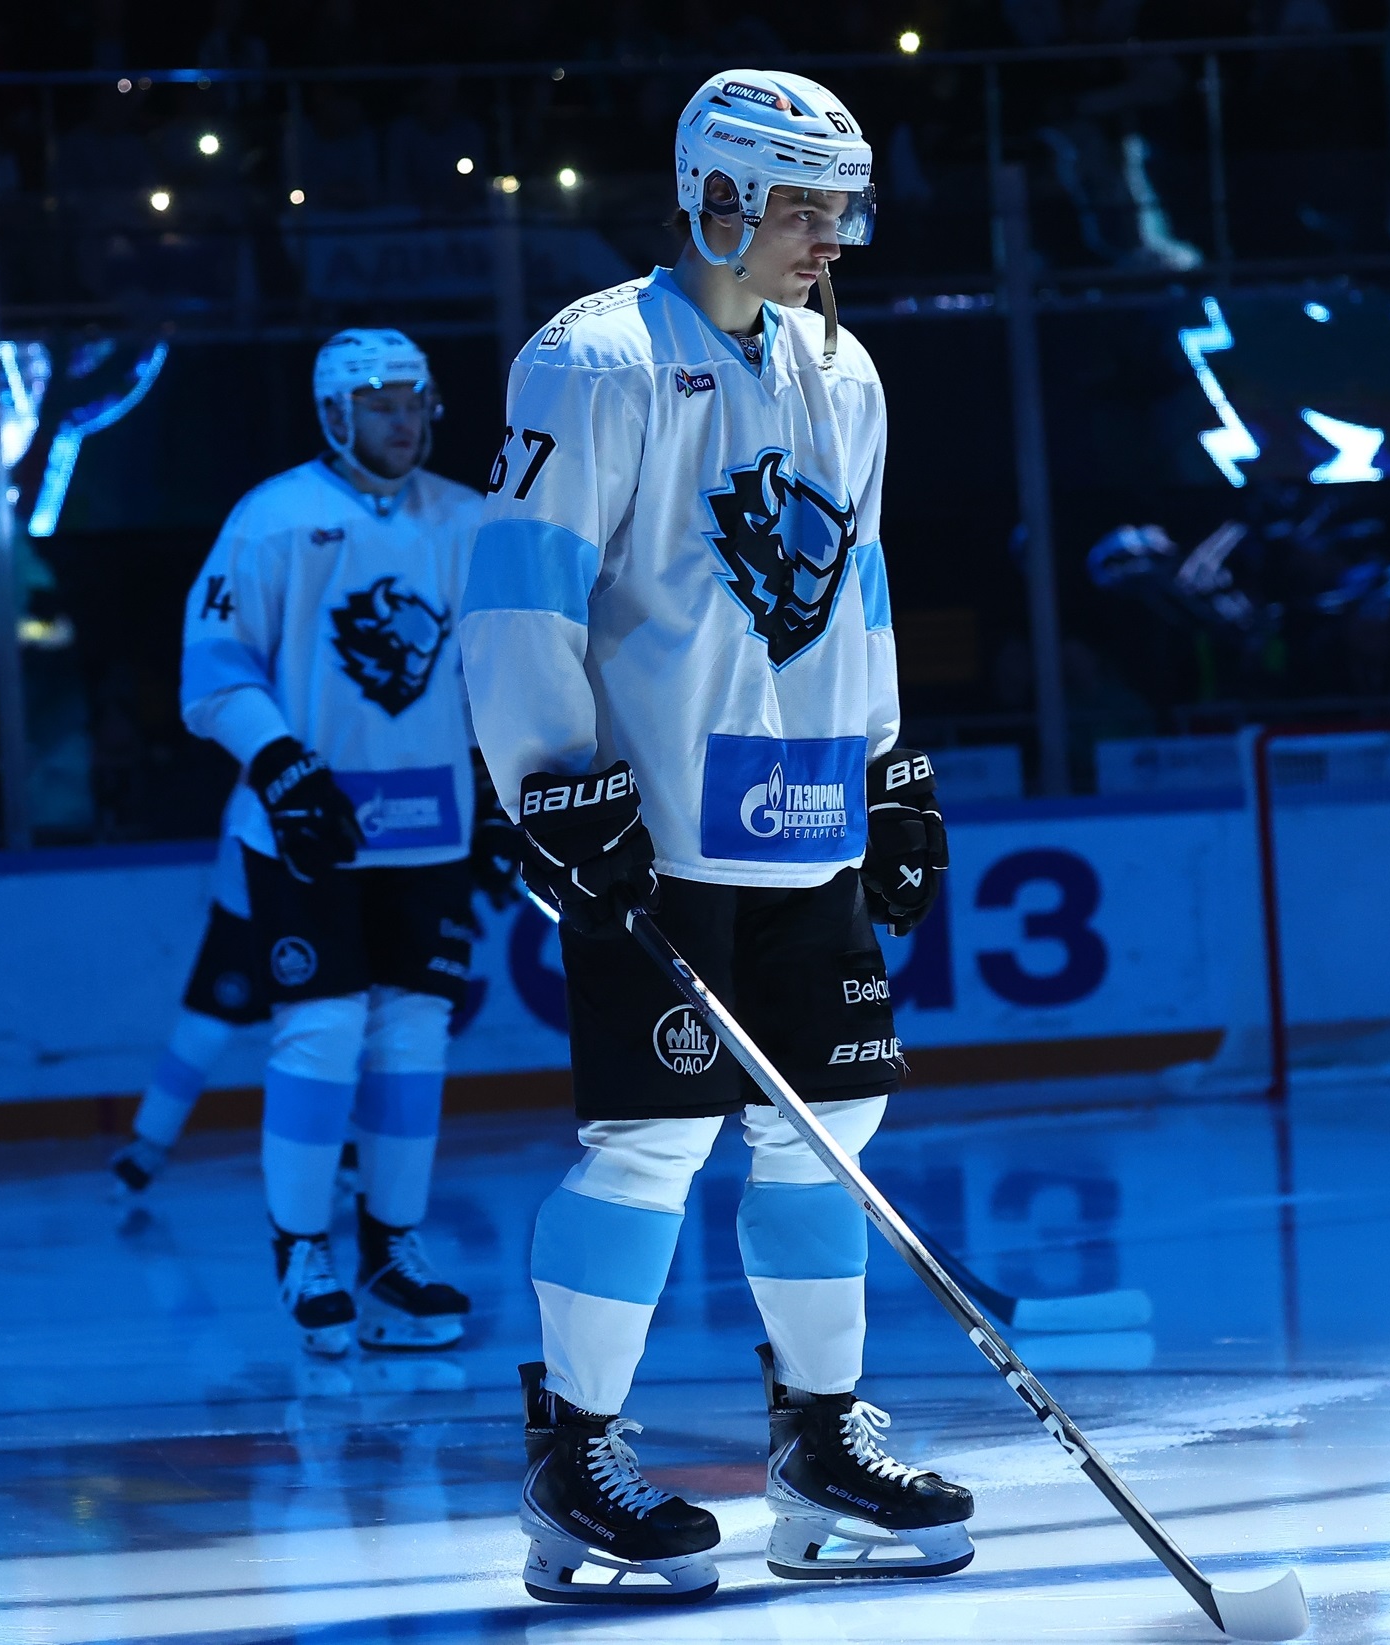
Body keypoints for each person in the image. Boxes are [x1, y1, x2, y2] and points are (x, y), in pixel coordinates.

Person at [457, 70, 970, 1605]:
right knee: (652, 1138)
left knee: (831, 1125)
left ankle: (816, 1449)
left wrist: (888, 768)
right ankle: (573, 1464)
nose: (830, 238)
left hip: (804, 816)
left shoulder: (842, 370)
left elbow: (859, 584)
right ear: (716, 197)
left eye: (841, 209)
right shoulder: (595, 357)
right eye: (803, 207)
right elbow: (520, 583)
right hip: (659, 830)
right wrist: (549, 783)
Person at [115, 329, 511, 1356]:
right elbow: (212, 671)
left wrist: (502, 796)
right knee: (322, 1027)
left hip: (427, 833)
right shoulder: (273, 518)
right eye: (379, 404)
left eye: (413, 401)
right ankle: (301, 1249)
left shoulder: (466, 519)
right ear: (335, 415)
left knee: (414, 1034)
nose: (403, 421)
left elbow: (499, 674)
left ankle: (391, 1247)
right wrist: (282, 762)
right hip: (304, 835)